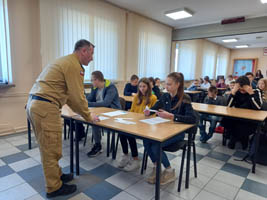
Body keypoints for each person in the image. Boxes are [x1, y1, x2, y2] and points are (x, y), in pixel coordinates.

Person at [26, 39, 99, 198]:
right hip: (45, 107)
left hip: (37, 104)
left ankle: (57, 175)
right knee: (50, 149)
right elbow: (77, 97)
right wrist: (88, 116)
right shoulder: (74, 66)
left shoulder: (65, 61)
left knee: (49, 146)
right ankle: (53, 187)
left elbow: (71, 98)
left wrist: (83, 112)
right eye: (91, 53)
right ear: (83, 51)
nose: (92, 58)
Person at [144, 72, 196, 185]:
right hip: (164, 130)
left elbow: (192, 119)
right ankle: (157, 167)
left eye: (169, 84)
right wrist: (149, 111)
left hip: (178, 133)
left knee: (155, 145)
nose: (166, 87)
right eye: (165, 84)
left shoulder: (185, 98)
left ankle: (169, 170)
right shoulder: (165, 96)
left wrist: (172, 116)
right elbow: (155, 108)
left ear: (177, 84)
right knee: (146, 139)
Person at [118, 78, 157, 171]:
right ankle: (126, 155)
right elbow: (132, 111)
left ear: (148, 87)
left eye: (144, 86)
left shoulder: (153, 98)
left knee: (130, 134)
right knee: (121, 131)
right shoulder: (136, 97)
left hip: (146, 124)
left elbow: (154, 114)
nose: (142, 89)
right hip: (135, 122)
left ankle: (135, 159)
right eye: (140, 86)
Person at [86, 71, 121, 157]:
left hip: (113, 112)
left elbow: (106, 103)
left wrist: (88, 104)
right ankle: (98, 145)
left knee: (95, 121)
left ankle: (98, 145)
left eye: (92, 80)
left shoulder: (111, 87)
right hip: (100, 111)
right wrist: (85, 101)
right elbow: (90, 98)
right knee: (93, 120)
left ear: (97, 80)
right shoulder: (95, 88)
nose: (91, 82)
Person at [221, 76, 262, 150]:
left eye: (243, 89)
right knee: (227, 119)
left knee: (243, 124)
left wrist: (251, 94)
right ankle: (233, 137)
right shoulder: (237, 92)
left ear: (248, 86)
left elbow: (258, 107)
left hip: (250, 119)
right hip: (236, 117)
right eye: (240, 89)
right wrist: (233, 93)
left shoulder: (256, 91)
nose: (242, 91)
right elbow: (228, 106)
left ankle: (242, 139)